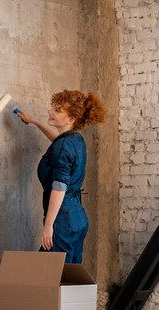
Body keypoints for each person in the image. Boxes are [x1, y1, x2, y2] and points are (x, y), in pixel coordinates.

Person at [17, 90, 105, 264]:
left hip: (63, 220)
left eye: (57, 110)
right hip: (77, 218)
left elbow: (59, 186)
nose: (50, 111)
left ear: (70, 119)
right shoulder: (75, 139)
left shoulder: (64, 146)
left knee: (53, 278)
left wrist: (49, 226)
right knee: (69, 278)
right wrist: (35, 121)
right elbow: (57, 140)